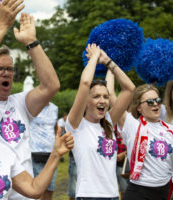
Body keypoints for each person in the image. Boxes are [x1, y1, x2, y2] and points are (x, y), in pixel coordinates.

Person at [0, 1, 60, 199]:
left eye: (9, 69)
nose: (6, 73)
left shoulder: (20, 102)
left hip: (24, 193)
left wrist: (31, 42)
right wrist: (2, 25)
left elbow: (51, 86)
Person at [65, 43, 135, 199]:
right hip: (88, 196)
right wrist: (95, 56)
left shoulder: (109, 122)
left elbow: (129, 89)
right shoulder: (76, 124)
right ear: (86, 101)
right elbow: (84, 83)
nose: (102, 100)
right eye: (96, 96)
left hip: (112, 196)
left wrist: (108, 61)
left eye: (105, 96)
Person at [117, 84, 173, 200]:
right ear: (139, 108)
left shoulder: (170, 129)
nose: (156, 103)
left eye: (157, 100)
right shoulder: (133, 125)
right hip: (139, 192)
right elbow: (114, 98)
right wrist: (111, 66)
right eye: (150, 102)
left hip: (164, 191)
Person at [105, 69, 129, 199]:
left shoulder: (130, 121)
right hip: (112, 161)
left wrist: (124, 154)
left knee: (126, 191)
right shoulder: (108, 120)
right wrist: (110, 67)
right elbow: (110, 93)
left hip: (126, 162)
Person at [29, 102, 58, 200]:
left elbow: (55, 127)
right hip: (34, 152)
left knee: (50, 189)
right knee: (36, 190)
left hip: (51, 153)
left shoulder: (55, 108)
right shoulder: (32, 107)